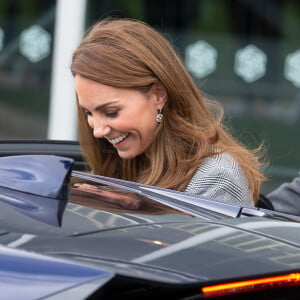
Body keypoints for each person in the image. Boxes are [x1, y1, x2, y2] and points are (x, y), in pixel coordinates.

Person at [70, 17, 266, 206]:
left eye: (111, 112)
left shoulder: (215, 178)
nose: (98, 131)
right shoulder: (119, 164)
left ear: (158, 94)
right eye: (88, 113)